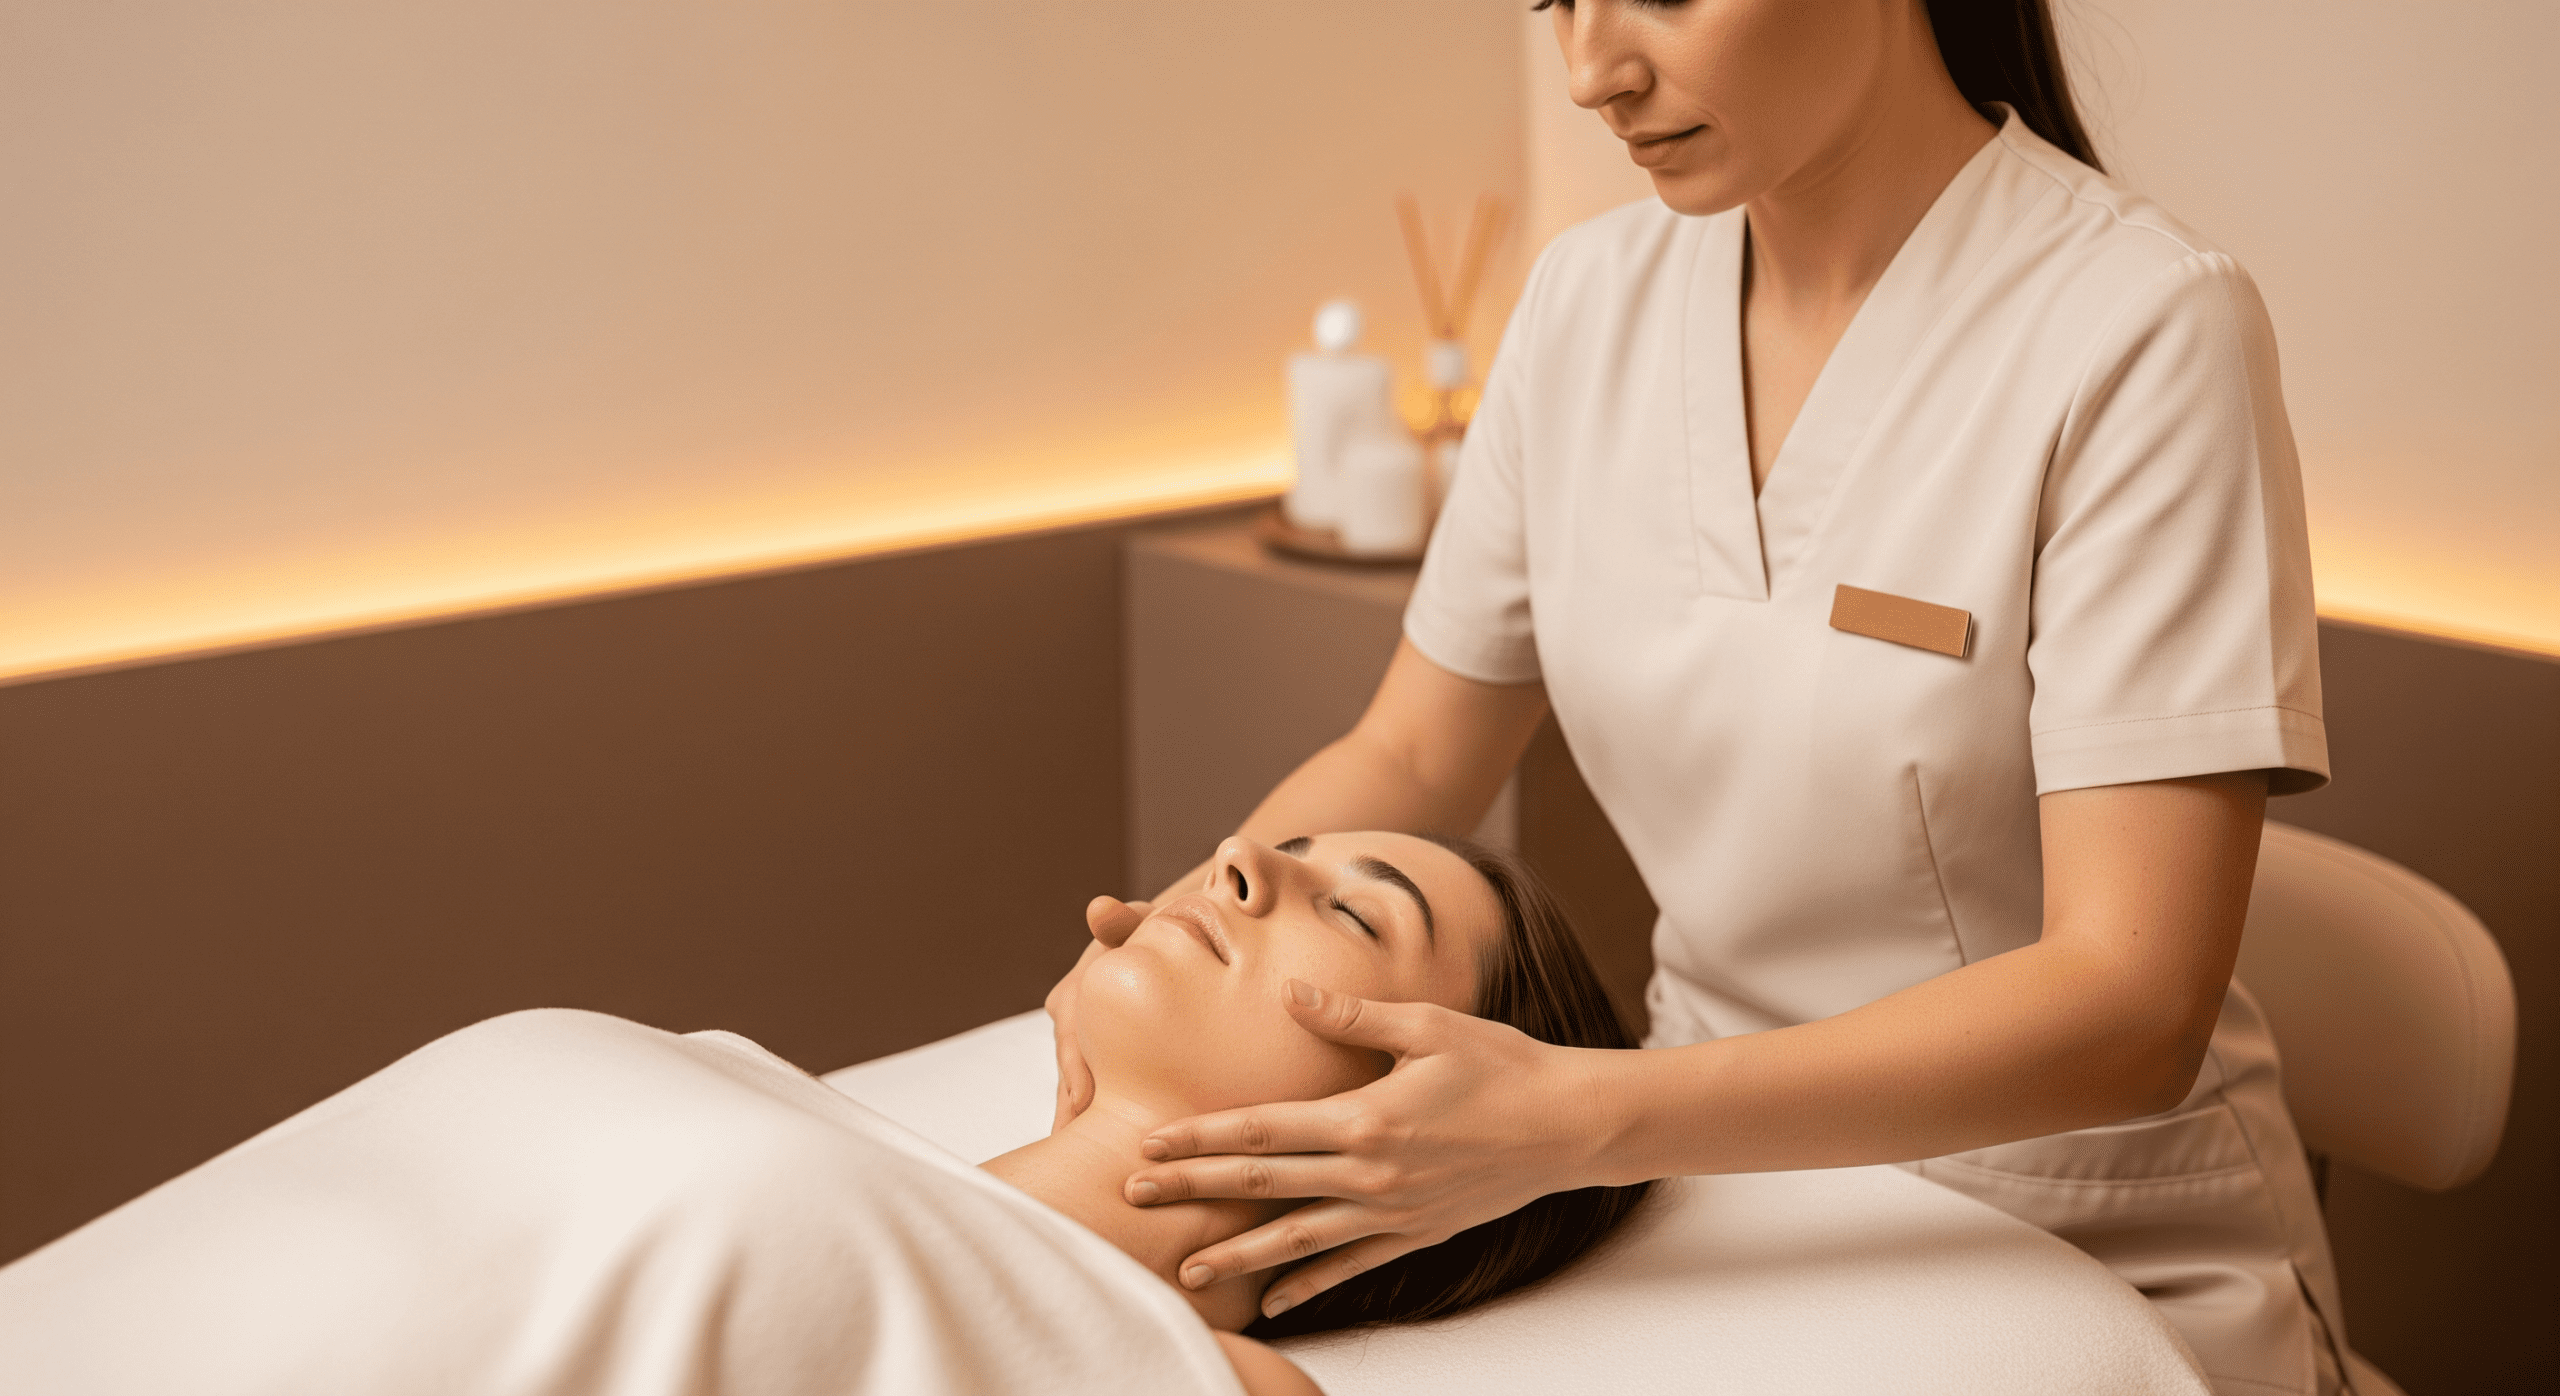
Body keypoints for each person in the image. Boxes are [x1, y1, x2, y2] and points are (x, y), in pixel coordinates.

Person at [1047, 4, 2347, 1393]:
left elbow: (2131, 1002)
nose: (1592, 72)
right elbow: (1414, 749)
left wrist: (1580, 1119)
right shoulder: (1585, 305)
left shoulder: (2139, 326)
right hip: (1692, 1189)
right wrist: (1146, 947)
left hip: (2062, 1226)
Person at [0, 832, 1648, 1396]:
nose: (1243, 858)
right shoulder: (774, 1091)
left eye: (1354, 917)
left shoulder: (1185, 1371)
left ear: (1427, 1129)